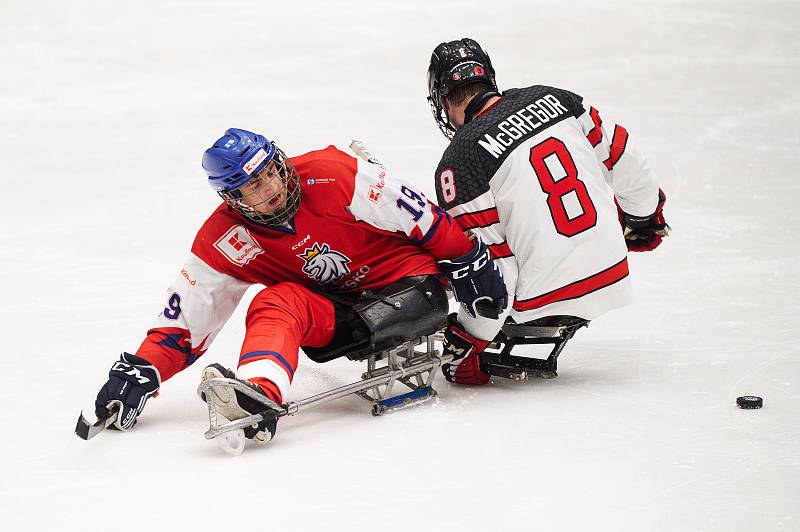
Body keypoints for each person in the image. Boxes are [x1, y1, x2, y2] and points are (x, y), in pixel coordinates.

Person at [92, 128, 507, 443]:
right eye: (253, 186)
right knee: (274, 300)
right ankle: (256, 394)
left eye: (271, 172)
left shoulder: (334, 174)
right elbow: (187, 317)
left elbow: (420, 216)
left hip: (410, 285)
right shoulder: (224, 241)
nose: (271, 188)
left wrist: (467, 257)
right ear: (232, 200)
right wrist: (144, 369)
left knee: (402, 284)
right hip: (340, 312)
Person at [426, 38, 670, 385]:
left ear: (445, 99)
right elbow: (625, 161)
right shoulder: (557, 98)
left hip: (543, 301)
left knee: (455, 250)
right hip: (611, 273)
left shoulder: (458, 160)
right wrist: (644, 219)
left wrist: (471, 340)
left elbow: (491, 270)